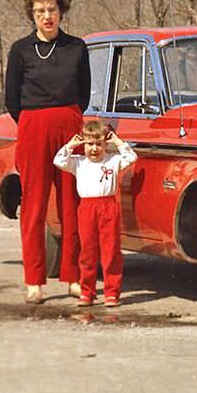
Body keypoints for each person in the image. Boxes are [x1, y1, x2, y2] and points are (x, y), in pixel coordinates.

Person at [5, 0, 91, 304]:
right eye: (40, 11)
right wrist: (34, 124)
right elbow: (12, 99)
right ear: (32, 14)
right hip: (32, 126)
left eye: (52, 10)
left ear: (61, 11)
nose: (47, 16)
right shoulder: (20, 50)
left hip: (69, 123)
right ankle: (35, 281)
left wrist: (67, 120)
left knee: (72, 203)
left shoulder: (77, 47)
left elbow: (84, 92)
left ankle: (74, 277)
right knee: (34, 205)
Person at [54, 121, 137, 307]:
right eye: (90, 144)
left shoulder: (112, 160)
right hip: (87, 208)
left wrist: (117, 141)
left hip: (108, 206)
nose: (94, 149)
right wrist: (70, 145)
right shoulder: (78, 163)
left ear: (105, 145)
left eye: (99, 144)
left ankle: (111, 293)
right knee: (88, 252)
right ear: (83, 144)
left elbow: (131, 157)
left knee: (111, 251)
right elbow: (58, 161)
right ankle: (87, 292)